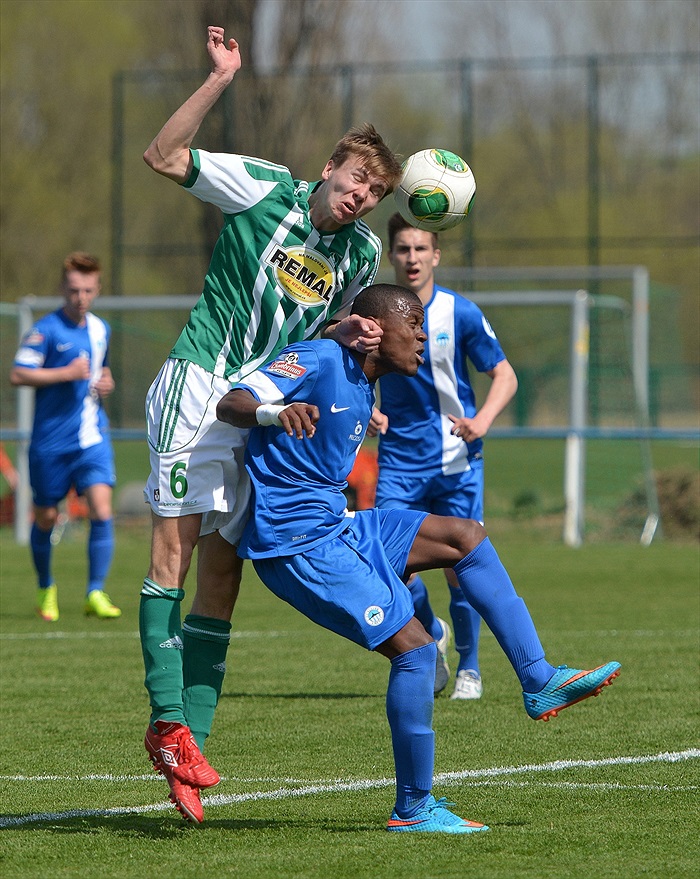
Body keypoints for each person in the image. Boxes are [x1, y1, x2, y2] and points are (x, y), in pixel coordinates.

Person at [216, 282, 621, 834]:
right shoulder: (318, 357)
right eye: (416, 328)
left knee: (465, 536)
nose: (424, 339)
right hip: (299, 544)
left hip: (341, 527)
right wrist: (272, 411)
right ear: (379, 331)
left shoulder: (364, 384)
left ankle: (539, 677)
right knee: (416, 652)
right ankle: (413, 809)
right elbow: (231, 401)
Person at [138, 25, 403, 823]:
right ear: (330, 167)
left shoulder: (357, 256)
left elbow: (322, 337)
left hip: (257, 411)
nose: (357, 197)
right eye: (353, 180)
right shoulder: (262, 188)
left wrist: (355, 359)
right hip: (197, 385)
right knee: (175, 554)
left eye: (371, 194)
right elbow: (163, 156)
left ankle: (194, 752)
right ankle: (167, 721)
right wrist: (219, 79)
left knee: (225, 574)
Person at [370, 213, 518, 701]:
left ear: (436, 255)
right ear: (391, 255)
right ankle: (430, 633)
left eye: (420, 249)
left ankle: (470, 668)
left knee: (461, 566)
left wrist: (483, 421)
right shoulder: (376, 311)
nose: (412, 258)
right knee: (391, 564)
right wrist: (368, 408)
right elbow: (354, 366)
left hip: (457, 459)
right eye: (403, 249)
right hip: (398, 461)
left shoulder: (461, 313)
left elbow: (504, 376)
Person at [10, 252, 121, 622]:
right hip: (50, 444)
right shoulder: (45, 330)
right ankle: (46, 587)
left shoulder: (101, 329)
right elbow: (18, 374)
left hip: (91, 437)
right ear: (62, 288)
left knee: (102, 510)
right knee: (46, 518)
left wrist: (106, 382)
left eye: (88, 290)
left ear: (98, 289)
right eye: (74, 290)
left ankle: (95, 592)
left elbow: (98, 374)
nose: (81, 297)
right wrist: (66, 373)